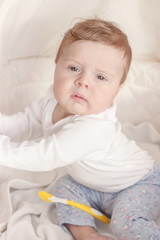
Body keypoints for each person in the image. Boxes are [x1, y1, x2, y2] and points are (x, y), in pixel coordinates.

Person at [0, 18, 160, 240]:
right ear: (56, 64)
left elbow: (44, 155)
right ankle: (87, 234)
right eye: (74, 68)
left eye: (100, 77)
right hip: (92, 185)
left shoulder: (93, 128)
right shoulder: (52, 100)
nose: (83, 81)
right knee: (65, 187)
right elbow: (24, 123)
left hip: (137, 185)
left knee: (127, 222)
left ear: (117, 89)